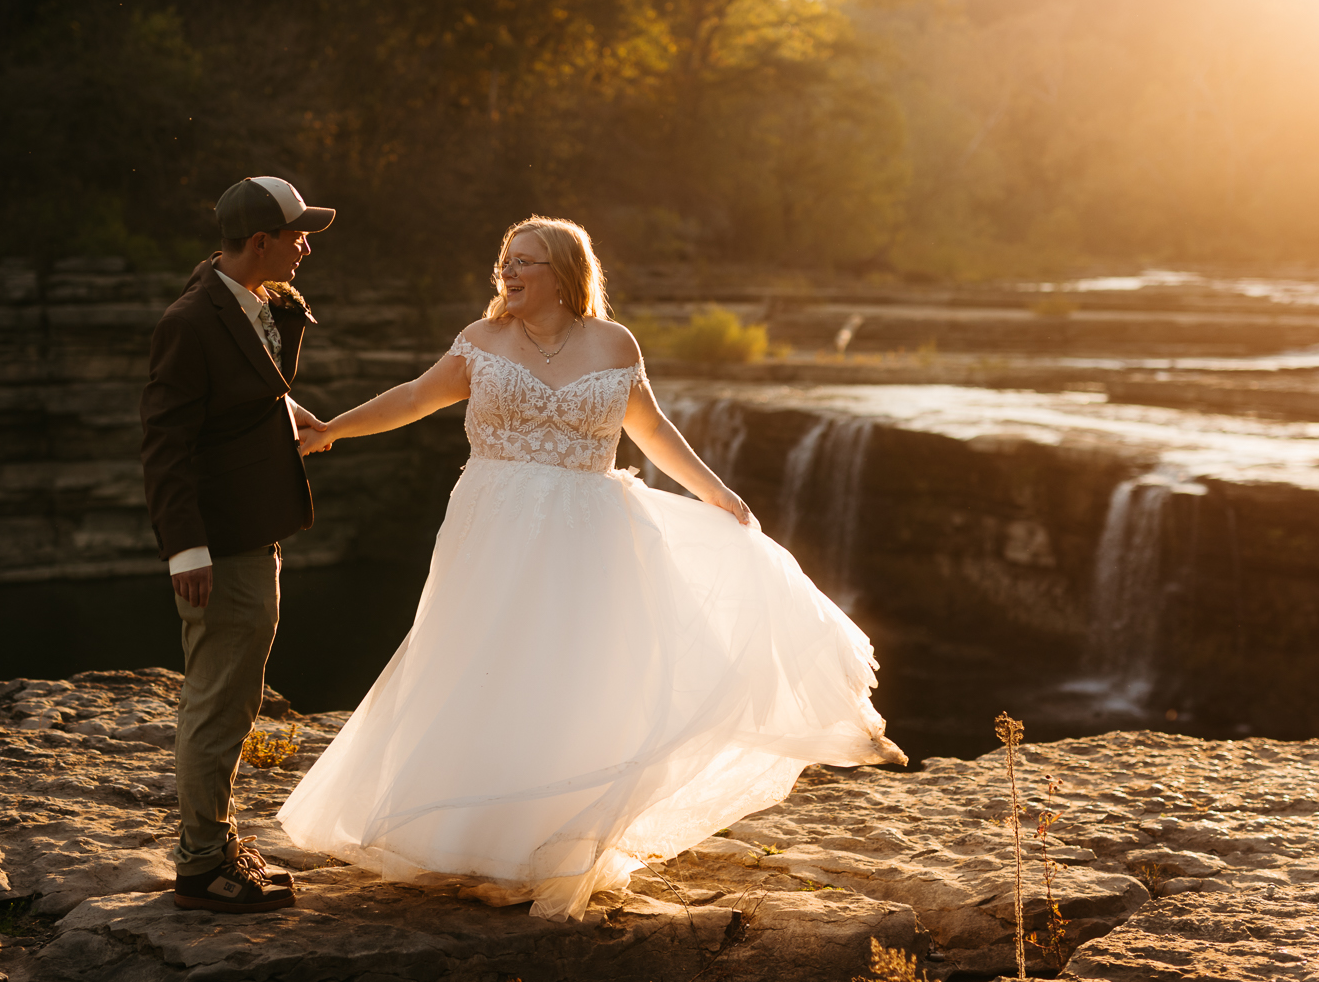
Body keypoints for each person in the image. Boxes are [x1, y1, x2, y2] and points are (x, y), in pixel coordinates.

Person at [279, 215, 904, 920]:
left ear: (565, 273)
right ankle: (464, 841)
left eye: (526, 262)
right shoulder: (481, 342)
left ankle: (545, 847)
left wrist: (716, 491)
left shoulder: (613, 343)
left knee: (570, 681)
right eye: (505, 261)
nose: (509, 273)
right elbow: (416, 398)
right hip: (496, 523)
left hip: (588, 533)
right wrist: (332, 428)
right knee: (484, 666)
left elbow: (653, 429)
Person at [140, 175, 334, 913]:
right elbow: (166, 443)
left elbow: (244, 390)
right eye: (297, 234)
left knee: (235, 693)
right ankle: (200, 865)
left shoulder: (246, 300)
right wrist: (186, 548)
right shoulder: (190, 321)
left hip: (252, 531)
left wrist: (292, 414)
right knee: (219, 700)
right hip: (219, 547)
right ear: (262, 242)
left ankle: (216, 842)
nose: (306, 245)